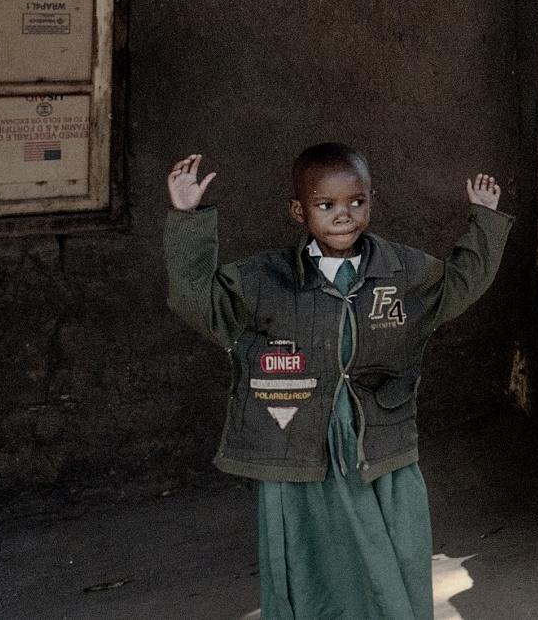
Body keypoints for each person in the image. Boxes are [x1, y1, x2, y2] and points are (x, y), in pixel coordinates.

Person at [164, 144, 511, 620]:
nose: (343, 216)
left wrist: (484, 222)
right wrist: (188, 218)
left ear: (372, 200)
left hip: (380, 445)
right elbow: (199, 303)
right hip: (299, 447)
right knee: (309, 563)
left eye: (356, 202)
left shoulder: (403, 271)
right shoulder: (265, 278)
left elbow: (459, 285)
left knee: (393, 551)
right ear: (298, 210)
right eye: (325, 206)